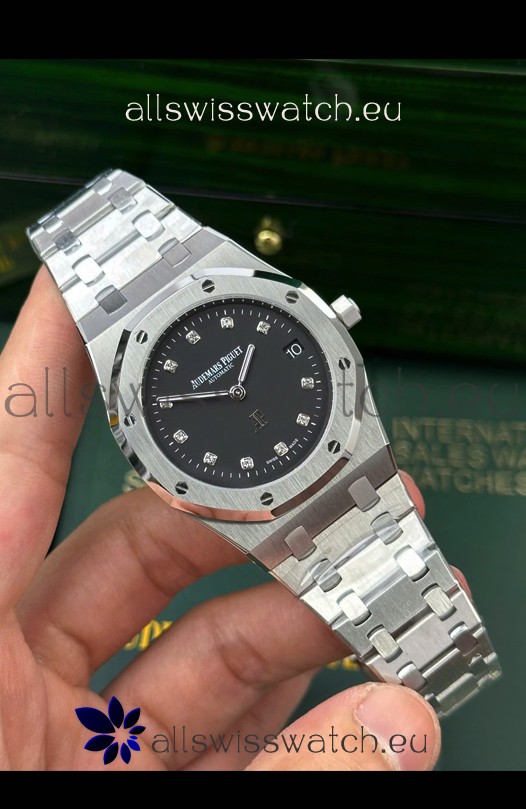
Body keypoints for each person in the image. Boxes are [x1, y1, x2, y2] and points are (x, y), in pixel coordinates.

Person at [0, 267, 454, 771]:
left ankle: (442, 646)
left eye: (239, 385)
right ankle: (439, 651)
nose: (239, 394)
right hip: (272, 503)